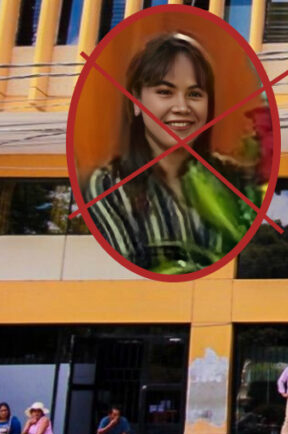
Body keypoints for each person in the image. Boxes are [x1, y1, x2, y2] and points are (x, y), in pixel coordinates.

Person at [82, 32, 262, 275]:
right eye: (165, 92)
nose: (182, 108)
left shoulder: (232, 181)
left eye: (194, 94)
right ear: (136, 100)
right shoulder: (109, 185)